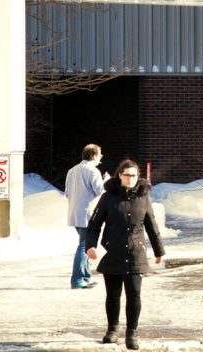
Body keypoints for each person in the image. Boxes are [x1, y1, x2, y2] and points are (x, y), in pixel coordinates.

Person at [86, 159, 165, 350]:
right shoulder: (108, 198)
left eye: (134, 175)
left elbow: (151, 225)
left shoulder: (143, 197)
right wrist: (91, 246)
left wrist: (158, 250)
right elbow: (94, 224)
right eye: (127, 175)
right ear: (120, 175)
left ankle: (132, 332)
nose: (131, 179)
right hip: (114, 252)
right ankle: (112, 330)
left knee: (134, 294)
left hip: (136, 252)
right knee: (113, 295)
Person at [65, 144, 107, 289]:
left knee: (85, 243)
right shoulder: (93, 171)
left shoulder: (72, 171)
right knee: (85, 245)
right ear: (94, 156)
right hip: (88, 213)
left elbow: (67, 193)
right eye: (100, 155)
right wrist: (106, 181)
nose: (101, 158)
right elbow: (100, 191)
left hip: (74, 213)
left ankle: (86, 276)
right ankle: (77, 279)